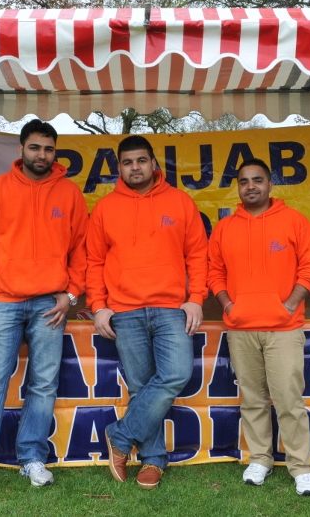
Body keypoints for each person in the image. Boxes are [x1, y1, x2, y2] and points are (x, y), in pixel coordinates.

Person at [0, 119, 88, 502]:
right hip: (5, 302)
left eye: (49, 149)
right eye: (35, 147)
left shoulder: (70, 193)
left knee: (43, 384)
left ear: (55, 153)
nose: (42, 155)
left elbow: (81, 249)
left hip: (50, 304)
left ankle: (32, 458)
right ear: (21, 149)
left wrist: (71, 294)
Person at [86, 135, 208, 490]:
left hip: (170, 308)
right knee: (140, 387)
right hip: (124, 310)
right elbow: (94, 262)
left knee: (176, 374)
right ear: (119, 167)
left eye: (141, 160)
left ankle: (121, 436)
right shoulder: (105, 208)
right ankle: (153, 459)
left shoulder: (180, 202)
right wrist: (98, 306)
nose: (135, 167)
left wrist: (196, 298)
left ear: (154, 164)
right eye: (127, 162)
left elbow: (198, 255)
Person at [207, 158, 310, 497]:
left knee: (288, 400)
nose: (251, 187)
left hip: (283, 328)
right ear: (238, 187)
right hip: (241, 328)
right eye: (244, 181)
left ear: (270, 184)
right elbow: (214, 271)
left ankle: (301, 467)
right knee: (253, 400)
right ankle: (260, 459)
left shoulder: (294, 221)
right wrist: (228, 304)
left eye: (257, 180)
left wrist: (290, 303)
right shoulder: (225, 227)